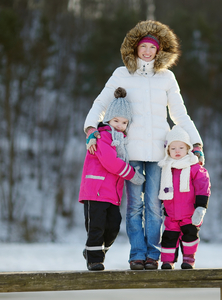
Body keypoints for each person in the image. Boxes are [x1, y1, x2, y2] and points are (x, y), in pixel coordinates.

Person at [83, 20, 205, 270]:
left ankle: (153, 254)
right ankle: (137, 254)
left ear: (159, 51)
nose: (147, 51)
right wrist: (91, 129)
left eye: (153, 47)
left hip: (160, 153)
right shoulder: (121, 74)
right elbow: (100, 104)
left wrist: (196, 143)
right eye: (144, 46)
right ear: (135, 48)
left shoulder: (167, 77)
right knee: (134, 207)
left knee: (153, 206)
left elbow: (180, 115)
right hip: (131, 152)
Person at [79, 87, 145, 271]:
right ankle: (94, 260)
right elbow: (110, 162)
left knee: (114, 226)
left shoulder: (122, 141)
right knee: (96, 227)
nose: (119, 125)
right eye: (116, 120)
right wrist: (132, 175)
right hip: (96, 190)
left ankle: (94, 252)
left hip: (112, 194)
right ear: (108, 118)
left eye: (124, 122)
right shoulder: (103, 136)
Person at [158, 125, 210, 269]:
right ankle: (168, 261)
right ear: (168, 150)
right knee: (169, 238)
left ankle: (188, 260)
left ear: (188, 149)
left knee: (190, 237)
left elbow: (203, 186)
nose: (177, 151)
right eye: (173, 148)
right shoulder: (166, 168)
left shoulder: (194, 167)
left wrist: (201, 206)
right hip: (171, 214)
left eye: (181, 147)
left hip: (190, 213)